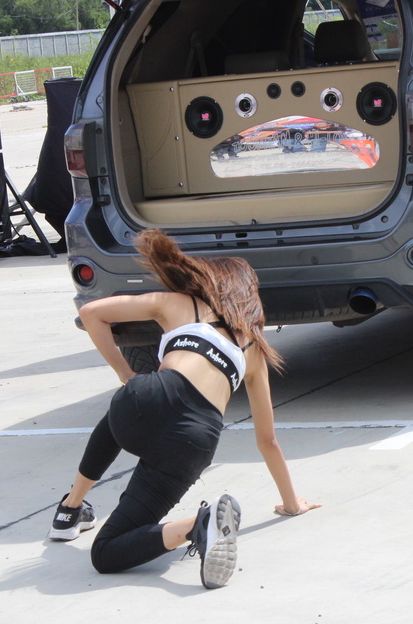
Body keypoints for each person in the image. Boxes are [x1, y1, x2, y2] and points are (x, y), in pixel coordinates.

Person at [48, 228, 320, 588]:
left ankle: (70, 509)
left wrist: (126, 375)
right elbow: (267, 441)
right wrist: (291, 503)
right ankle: (196, 526)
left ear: (213, 280)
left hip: (147, 400)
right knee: (107, 551)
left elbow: (92, 312)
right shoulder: (254, 350)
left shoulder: (179, 303)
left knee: (121, 408)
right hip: (194, 439)